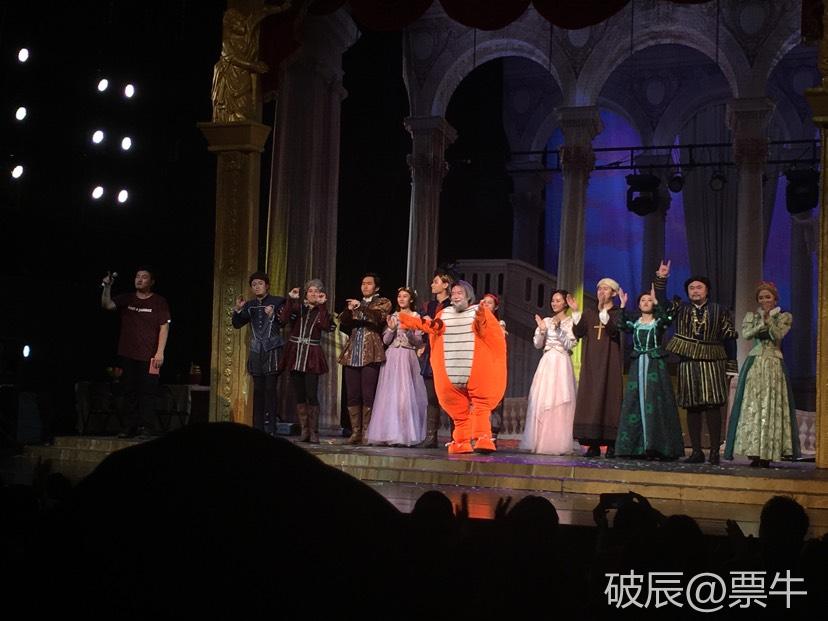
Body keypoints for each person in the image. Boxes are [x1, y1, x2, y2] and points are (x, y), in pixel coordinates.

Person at [399, 280, 506, 454]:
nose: (456, 296)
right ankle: (461, 441)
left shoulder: (478, 312)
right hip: (451, 371)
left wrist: (481, 319)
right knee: (459, 414)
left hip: (475, 372)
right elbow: (433, 328)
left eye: (459, 293)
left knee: (480, 408)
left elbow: (490, 335)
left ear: (468, 295)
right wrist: (413, 322)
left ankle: (483, 438)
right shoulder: (444, 314)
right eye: (453, 293)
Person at [656, 260, 738, 465]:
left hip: (713, 361)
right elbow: (662, 303)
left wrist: (731, 366)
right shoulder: (680, 308)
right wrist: (662, 279)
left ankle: (714, 452)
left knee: (713, 405)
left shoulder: (720, 310)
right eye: (691, 288)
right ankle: (696, 452)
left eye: (699, 287)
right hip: (688, 362)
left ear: (707, 290)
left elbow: (729, 338)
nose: (695, 290)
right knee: (692, 406)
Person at [724, 282, 800, 467]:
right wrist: (761, 322)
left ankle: (768, 452)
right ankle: (754, 451)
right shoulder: (752, 316)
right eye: (761, 297)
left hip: (774, 363)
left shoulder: (784, 317)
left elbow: (778, 335)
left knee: (771, 404)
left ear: (775, 299)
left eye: (768, 297)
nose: (765, 300)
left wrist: (769, 319)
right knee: (754, 406)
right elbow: (747, 334)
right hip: (755, 363)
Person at [614, 285, 684, 460]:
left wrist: (658, 302)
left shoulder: (657, 323)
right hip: (637, 365)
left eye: (649, 300)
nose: (646, 302)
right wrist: (622, 305)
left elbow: (667, 319)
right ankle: (636, 447)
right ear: (638, 305)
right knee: (635, 402)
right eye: (643, 300)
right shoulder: (635, 323)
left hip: (655, 366)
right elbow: (620, 324)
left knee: (656, 402)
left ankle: (657, 446)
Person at [101, 267, 171, 438]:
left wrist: (160, 352)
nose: (139, 280)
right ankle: (129, 427)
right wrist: (107, 287)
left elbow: (164, 327)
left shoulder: (159, 301)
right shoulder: (128, 298)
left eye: (144, 277)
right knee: (128, 391)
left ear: (152, 282)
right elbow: (107, 305)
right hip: (127, 353)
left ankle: (146, 427)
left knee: (147, 392)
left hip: (150, 356)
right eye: (137, 276)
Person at [365, 288, 427, 446]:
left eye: (405, 296)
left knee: (405, 397)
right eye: (399, 296)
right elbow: (386, 341)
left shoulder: (416, 316)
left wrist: (409, 332)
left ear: (411, 299)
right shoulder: (393, 316)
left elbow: (418, 342)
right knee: (389, 396)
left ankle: (404, 435)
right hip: (392, 357)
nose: (401, 299)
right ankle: (388, 433)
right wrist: (392, 329)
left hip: (407, 357)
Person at [568, 278, 623, 457]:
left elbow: (614, 330)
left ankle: (611, 443)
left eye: (606, 289)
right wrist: (575, 312)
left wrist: (605, 314)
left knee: (610, 398)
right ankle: (592, 444)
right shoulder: (590, 313)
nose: (601, 292)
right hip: (591, 363)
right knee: (590, 400)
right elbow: (579, 332)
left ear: (613, 293)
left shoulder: (618, 313)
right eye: (599, 289)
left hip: (609, 362)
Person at [520, 290, 577, 455]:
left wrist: (559, 330)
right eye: (553, 300)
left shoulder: (571, 322)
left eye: (558, 300)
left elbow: (570, 345)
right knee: (543, 399)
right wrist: (542, 331)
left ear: (565, 303)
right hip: (547, 361)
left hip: (561, 362)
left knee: (559, 399)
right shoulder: (546, 321)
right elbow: (537, 344)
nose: (554, 303)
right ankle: (540, 441)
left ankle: (557, 442)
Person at [338, 273, 392, 444]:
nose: (365, 286)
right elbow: (343, 322)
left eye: (369, 283)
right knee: (352, 394)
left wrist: (360, 307)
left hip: (371, 351)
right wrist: (349, 310)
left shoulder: (383, 302)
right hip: (353, 351)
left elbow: (377, 318)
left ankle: (368, 431)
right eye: (363, 283)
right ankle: (356, 432)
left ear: (376, 287)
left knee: (368, 394)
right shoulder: (356, 303)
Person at [279, 279, 334, 444]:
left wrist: (322, 306)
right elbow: (283, 319)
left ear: (321, 294)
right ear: (306, 293)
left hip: (311, 356)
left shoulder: (322, 311)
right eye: (310, 291)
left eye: (317, 291)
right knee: (300, 394)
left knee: (311, 394)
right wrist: (291, 300)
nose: (313, 294)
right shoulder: (298, 308)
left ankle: (314, 431)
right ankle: (304, 431)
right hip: (296, 354)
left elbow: (325, 326)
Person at [232, 271, 286, 436]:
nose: (257, 287)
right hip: (256, 351)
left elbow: (284, 322)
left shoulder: (278, 301)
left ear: (267, 285)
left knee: (270, 389)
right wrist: (238, 310)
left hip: (272, 350)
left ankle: (272, 428)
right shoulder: (250, 305)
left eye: (260, 284)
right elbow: (237, 324)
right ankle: (258, 428)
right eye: (254, 284)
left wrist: (273, 315)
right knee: (258, 391)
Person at [417, 270, 454, 448]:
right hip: (431, 353)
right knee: (431, 397)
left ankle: (457, 437)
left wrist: (432, 322)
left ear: (445, 285)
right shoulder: (429, 305)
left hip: (447, 354)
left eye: (436, 282)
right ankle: (431, 437)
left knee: (451, 398)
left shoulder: (452, 306)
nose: (432, 285)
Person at [480, 292, 507, 438]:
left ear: (495, 307)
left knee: (495, 400)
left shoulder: (499, 324)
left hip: (494, 366)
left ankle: (492, 434)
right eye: (484, 302)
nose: (486, 304)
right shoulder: (476, 322)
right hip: (479, 365)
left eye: (489, 303)